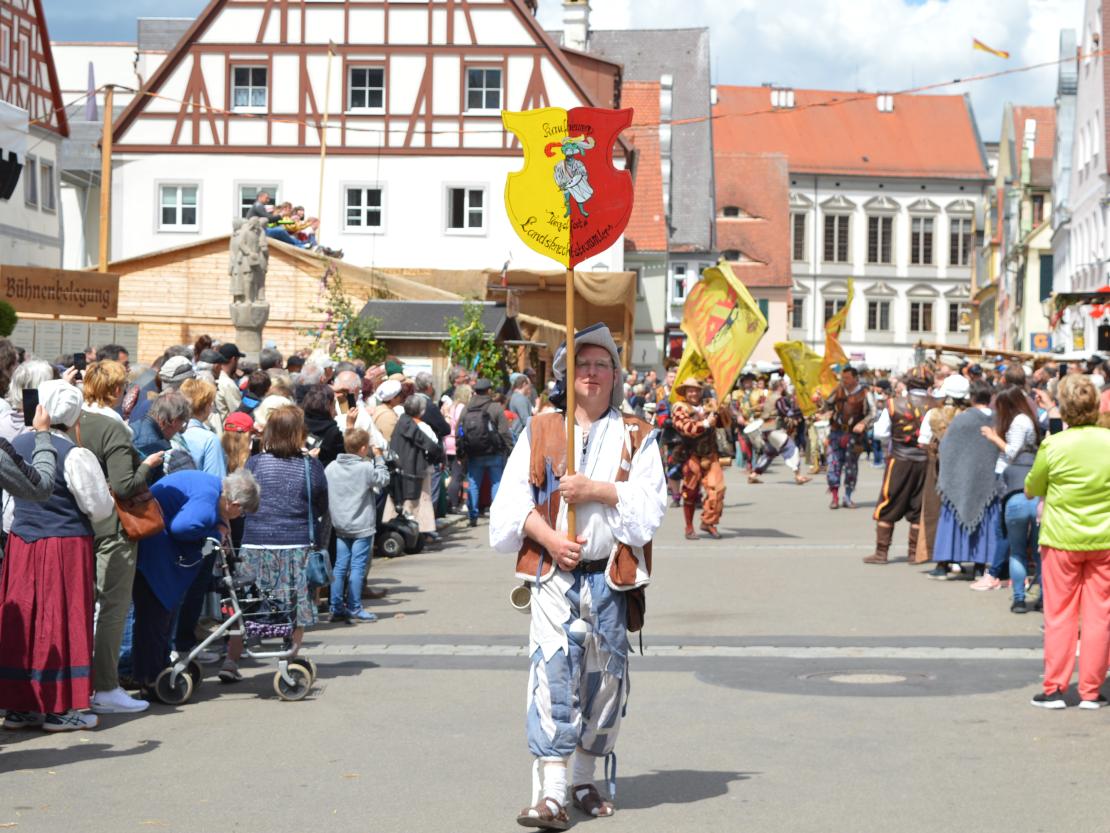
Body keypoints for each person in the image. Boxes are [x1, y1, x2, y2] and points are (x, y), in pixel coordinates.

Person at [490, 324, 667, 827]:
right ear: (567, 375)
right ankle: (552, 793)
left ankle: (585, 780)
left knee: (605, 681)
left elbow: (651, 507)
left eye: (601, 365)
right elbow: (510, 503)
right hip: (554, 576)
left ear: (615, 375)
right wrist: (549, 538)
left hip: (610, 578)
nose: (591, 373)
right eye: (581, 365)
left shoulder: (637, 434)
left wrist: (598, 490)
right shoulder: (542, 428)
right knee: (553, 676)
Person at [0, 380, 115, 731]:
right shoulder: (75, 454)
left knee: (24, 620)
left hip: (22, 542)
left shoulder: (15, 444)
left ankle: (19, 706)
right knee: (61, 621)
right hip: (65, 545)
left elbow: (9, 507)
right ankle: (58, 708)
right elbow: (99, 507)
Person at [73, 360, 164, 716]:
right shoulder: (113, 428)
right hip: (113, 527)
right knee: (113, 608)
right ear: (114, 390)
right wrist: (148, 465)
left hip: (80, 524)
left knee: (86, 608)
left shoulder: (75, 420)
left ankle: (84, 683)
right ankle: (107, 687)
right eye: (123, 386)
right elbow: (125, 485)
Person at [222, 405, 328, 681]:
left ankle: (231, 660)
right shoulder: (311, 466)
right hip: (296, 545)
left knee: (247, 604)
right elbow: (321, 505)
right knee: (295, 607)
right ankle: (288, 659)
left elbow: (241, 500)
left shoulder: (255, 463)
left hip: (255, 544)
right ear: (299, 433)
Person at [130, 469, 259, 692]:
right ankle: (151, 679)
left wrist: (218, 524)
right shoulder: (208, 502)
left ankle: (154, 672)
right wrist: (216, 534)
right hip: (154, 554)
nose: (240, 517)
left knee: (158, 617)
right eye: (243, 512)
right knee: (156, 618)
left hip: (152, 547)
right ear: (235, 504)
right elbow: (183, 527)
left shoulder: (213, 487)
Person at [1025, 375, 1110, 708]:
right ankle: (1091, 690)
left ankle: (1055, 689)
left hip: (1061, 538)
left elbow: (1033, 486)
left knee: (1060, 614)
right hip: (1104, 538)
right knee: (1100, 615)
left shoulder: (1055, 444)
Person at [971, 385, 1043, 596]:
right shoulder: (1024, 420)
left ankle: (995, 575)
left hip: (1012, 479)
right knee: (1022, 538)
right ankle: (1015, 579)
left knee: (1006, 531)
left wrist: (993, 437)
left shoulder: (1019, 421)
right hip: (1018, 478)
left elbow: (1013, 452)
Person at [862, 367, 934, 565]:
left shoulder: (894, 403)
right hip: (926, 461)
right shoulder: (936, 404)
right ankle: (914, 553)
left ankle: (881, 553)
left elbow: (880, 433)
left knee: (888, 503)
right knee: (918, 507)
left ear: (908, 382)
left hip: (900, 460)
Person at [932, 382, 1001, 576]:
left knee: (952, 519)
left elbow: (946, 447)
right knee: (986, 521)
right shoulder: (998, 419)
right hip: (989, 480)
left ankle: (944, 563)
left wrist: (950, 474)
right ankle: (980, 566)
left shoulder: (962, 419)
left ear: (972, 398)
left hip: (960, 480)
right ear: (990, 398)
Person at [325, 428, 389, 623]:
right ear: (363, 448)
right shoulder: (365, 468)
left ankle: (336, 606)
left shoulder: (331, 467)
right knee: (357, 567)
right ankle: (354, 606)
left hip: (340, 524)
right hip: (362, 525)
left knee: (339, 566)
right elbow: (383, 479)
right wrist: (379, 458)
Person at [671, 377, 725, 540]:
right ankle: (689, 527)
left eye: (696, 390)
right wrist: (706, 423)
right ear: (685, 393)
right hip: (690, 454)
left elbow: (724, 424)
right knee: (690, 492)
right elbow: (686, 428)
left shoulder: (710, 404)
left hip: (710, 453)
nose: (693, 393)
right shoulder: (679, 408)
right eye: (690, 390)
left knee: (718, 489)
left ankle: (708, 522)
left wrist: (723, 410)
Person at [459, 377, 513, 528]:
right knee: (496, 483)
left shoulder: (467, 408)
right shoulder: (495, 408)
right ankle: (496, 515)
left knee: (473, 483)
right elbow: (504, 431)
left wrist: (460, 451)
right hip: (494, 452)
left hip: (474, 453)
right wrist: (510, 448)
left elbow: (460, 430)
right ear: (489, 391)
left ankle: (473, 515)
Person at [389, 394, 444, 537]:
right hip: (415, 468)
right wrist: (438, 455)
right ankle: (421, 531)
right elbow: (431, 445)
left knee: (401, 500)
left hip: (400, 466)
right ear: (421, 411)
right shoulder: (420, 426)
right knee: (419, 500)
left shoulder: (401, 422)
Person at [824, 366, 874, 509]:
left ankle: (847, 496)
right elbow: (827, 405)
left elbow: (873, 412)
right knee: (833, 464)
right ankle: (834, 497)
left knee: (851, 466)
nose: (844, 380)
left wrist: (863, 423)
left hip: (854, 436)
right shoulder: (838, 390)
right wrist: (824, 409)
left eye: (847, 378)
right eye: (843, 378)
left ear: (855, 378)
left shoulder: (865, 392)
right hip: (836, 433)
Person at [131, 390, 195, 484]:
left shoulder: (135, 426)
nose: (181, 429)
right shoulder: (155, 446)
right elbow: (144, 486)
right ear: (174, 421)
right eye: (182, 423)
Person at [179, 378, 227, 477]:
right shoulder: (209, 440)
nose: (211, 406)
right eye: (210, 403)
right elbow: (215, 480)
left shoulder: (173, 432)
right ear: (206, 406)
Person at [302, 382, 349, 467]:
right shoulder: (333, 433)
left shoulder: (299, 423)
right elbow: (346, 458)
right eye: (334, 405)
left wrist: (330, 388)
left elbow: (299, 389)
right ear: (328, 406)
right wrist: (350, 427)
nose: (336, 412)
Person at [215, 343, 246, 421]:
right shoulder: (228, 384)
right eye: (237, 360)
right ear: (233, 359)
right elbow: (238, 413)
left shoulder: (215, 376)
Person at [508, 373, 533, 440]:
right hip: (520, 435)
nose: (529, 388)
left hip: (516, 434)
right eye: (529, 385)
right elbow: (525, 420)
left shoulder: (515, 396)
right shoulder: (520, 399)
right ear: (524, 384)